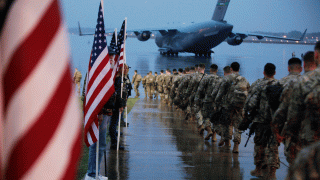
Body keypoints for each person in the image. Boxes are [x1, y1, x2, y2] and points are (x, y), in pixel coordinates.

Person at [279, 42, 320, 166]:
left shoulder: (300, 82)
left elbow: (291, 114)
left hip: (307, 137)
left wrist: (283, 133)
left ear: (316, 55)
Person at [239, 63, 279, 179]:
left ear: (263, 72)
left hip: (260, 121)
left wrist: (247, 113)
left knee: (259, 145)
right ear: (274, 73)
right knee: (273, 147)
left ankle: (258, 170)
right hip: (274, 121)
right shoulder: (279, 84)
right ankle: (272, 173)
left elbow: (250, 103)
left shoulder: (258, 84)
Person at [271, 58, 302, 166]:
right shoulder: (310, 81)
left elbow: (278, 107)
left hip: (290, 126)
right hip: (310, 127)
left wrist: (276, 129)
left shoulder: (281, 82)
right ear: (301, 69)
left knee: (291, 157)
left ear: (288, 68)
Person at [215, 62, 250, 152]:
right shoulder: (244, 79)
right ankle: (236, 146)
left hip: (227, 106)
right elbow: (249, 93)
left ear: (231, 69)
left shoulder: (227, 79)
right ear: (239, 69)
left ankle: (227, 143)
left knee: (227, 125)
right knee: (238, 127)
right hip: (240, 106)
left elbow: (220, 93)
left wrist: (217, 103)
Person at [194, 64, 221, 141]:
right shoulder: (220, 79)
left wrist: (197, 99)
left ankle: (209, 130)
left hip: (207, 101)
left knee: (206, 117)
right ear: (217, 71)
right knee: (215, 119)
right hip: (216, 102)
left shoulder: (206, 78)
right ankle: (214, 137)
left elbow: (200, 90)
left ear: (210, 70)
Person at [109, 64, 129, 150]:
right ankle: (114, 143)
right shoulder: (118, 79)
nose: (125, 70)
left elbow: (124, 92)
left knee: (115, 123)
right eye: (123, 68)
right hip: (116, 104)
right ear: (119, 69)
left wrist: (124, 103)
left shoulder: (123, 78)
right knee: (113, 123)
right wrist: (121, 105)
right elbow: (117, 93)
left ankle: (114, 141)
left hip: (120, 103)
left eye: (126, 68)